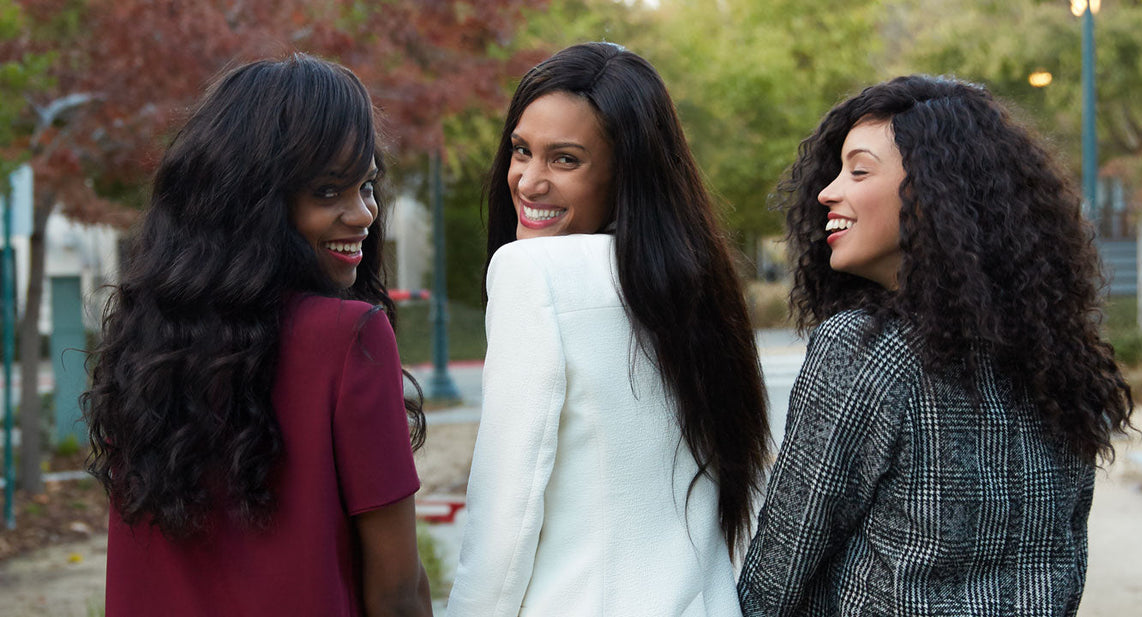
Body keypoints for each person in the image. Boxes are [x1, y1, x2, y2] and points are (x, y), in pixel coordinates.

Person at [737, 74, 1136, 616]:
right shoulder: (1055, 360)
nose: (828, 190)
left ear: (930, 194)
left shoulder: (866, 348)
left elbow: (786, 554)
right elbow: (1064, 559)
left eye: (858, 170)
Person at [83, 54, 432, 617]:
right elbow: (395, 594)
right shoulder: (347, 340)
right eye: (326, 192)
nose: (364, 213)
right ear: (255, 205)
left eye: (366, 185)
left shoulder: (146, 341)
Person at [445, 42, 772, 616]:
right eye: (521, 151)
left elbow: (506, 516)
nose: (527, 181)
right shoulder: (696, 285)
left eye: (565, 160)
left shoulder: (531, 275)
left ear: (627, 176)